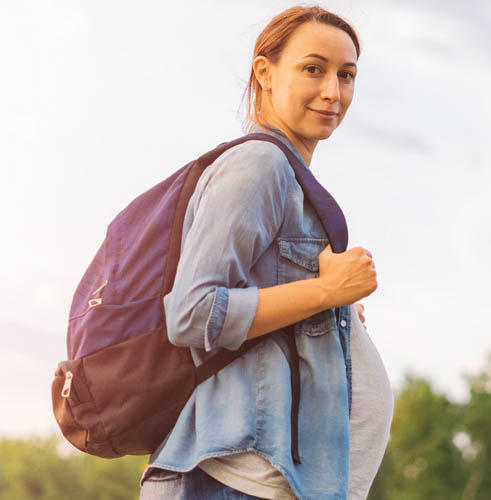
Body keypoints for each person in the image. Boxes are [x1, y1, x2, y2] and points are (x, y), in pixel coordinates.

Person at [138, 6, 392, 499]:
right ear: (265, 72)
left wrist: (328, 308)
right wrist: (324, 291)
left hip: (265, 480)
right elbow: (193, 314)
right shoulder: (260, 163)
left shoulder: (290, 178)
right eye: (313, 69)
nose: (332, 92)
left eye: (347, 75)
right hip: (231, 478)